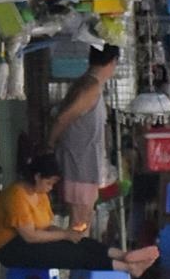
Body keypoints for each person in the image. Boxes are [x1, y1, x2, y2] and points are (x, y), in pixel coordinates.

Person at [0, 152, 159, 277]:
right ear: (37, 176)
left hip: (30, 242)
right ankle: (129, 268)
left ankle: (124, 256)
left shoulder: (39, 194)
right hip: (11, 249)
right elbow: (30, 236)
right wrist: (64, 234)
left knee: (82, 243)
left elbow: (47, 227)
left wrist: (70, 235)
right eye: (48, 183)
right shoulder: (16, 196)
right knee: (72, 255)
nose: (50, 188)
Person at [48, 45, 122, 232]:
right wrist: (49, 144)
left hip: (84, 165)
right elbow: (63, 118)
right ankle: (76, 259)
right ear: (112, 62)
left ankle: (78, 258)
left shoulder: (89, 84)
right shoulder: (90, 88)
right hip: (79, 165)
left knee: (82, 223)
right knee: (79, 224)